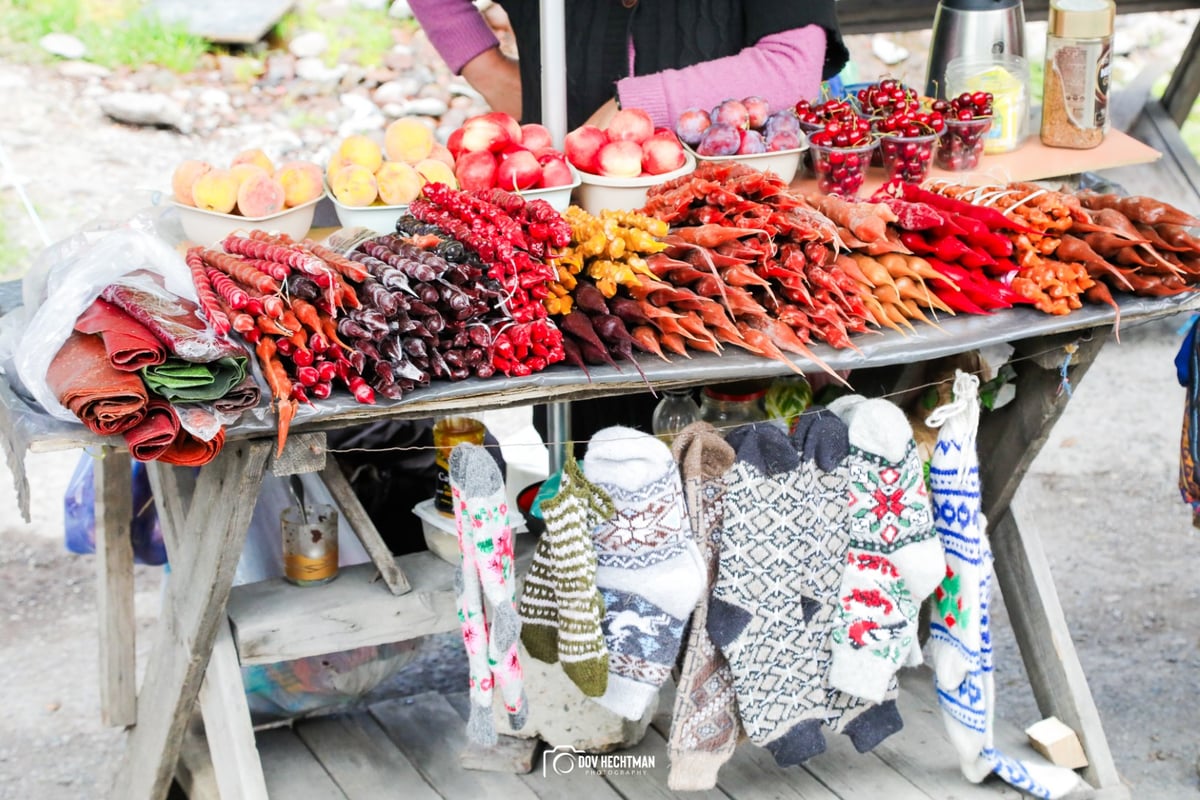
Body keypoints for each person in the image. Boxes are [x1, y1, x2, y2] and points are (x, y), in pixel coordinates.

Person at [407, 0, 851, 448]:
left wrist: (634, 106)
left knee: (750, 452)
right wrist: (484, 65)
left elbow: (791, 65)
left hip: (728, 250)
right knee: (594, 465)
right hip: (577, 251)